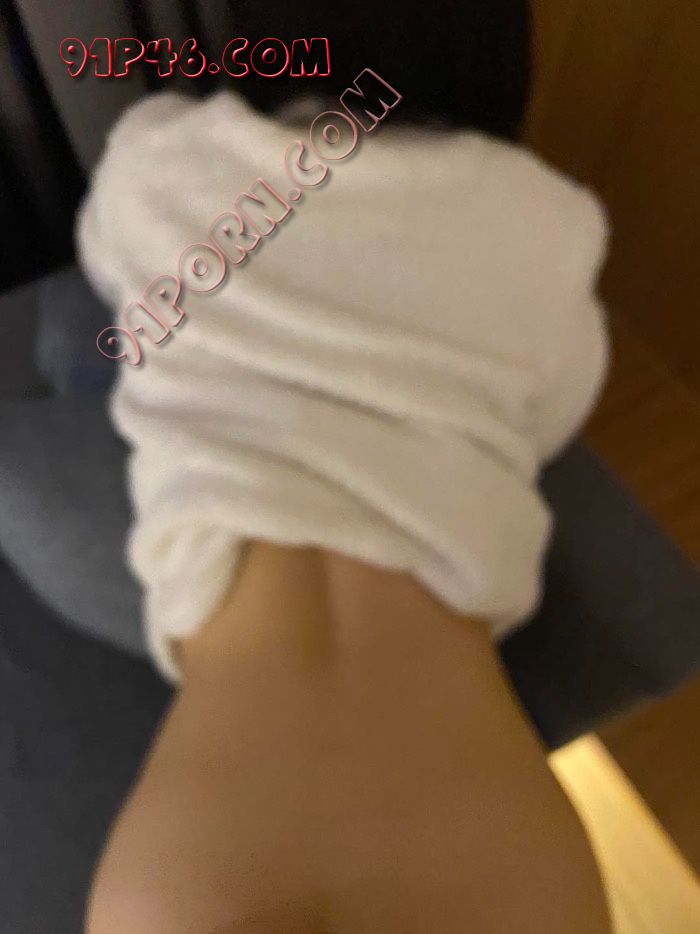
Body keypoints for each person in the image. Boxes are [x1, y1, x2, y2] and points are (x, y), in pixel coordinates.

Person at [79, 2, 612, 930]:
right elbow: (556, 411)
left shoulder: (152, 161)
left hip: (204, 852)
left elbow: (114, 279)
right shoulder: (548, 222)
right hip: (485, 836)